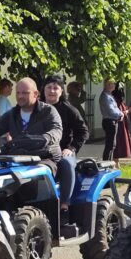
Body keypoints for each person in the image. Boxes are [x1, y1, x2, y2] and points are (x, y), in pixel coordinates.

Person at [0, 78, 62, 173]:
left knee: (35, 174)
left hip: (44, 158)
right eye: (18, 93)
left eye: (25, 93)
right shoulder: (12, 114)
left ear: (35, 94)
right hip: (18, 159)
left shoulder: (48, 111)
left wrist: (45, 138)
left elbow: (56, 130)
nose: (20, 96)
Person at [43, 75, 88, 210]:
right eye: (49, 87)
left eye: (55, 88)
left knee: (66, 164)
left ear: (61, 91)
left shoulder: (69, 109)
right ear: (43, 89)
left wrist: (71, 148)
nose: (52, 91)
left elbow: (83, 131)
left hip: (63, 151)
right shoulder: (36, 108)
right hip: (39, 151)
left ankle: (64, 203)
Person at [99, 79, 124, 161]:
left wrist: (120, 113)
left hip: (112, 120)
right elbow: (111, 110)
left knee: (112, 145)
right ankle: (107, 163)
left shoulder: (109, 95)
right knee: (110, 145)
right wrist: (120, 114)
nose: (114, 85)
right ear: (108, 85)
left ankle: (109, 162)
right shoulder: (105, 96)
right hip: (110, 121)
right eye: (112, 84)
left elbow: (115, 108)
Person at [112, 86, 131, 160]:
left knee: (120, 143)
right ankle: (115, 160)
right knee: (117, 143)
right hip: (119, 125)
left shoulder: (119, 102)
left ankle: (117, 160)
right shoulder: (116, 102)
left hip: (122, 124)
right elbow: (119, 113)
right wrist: (128, 111)